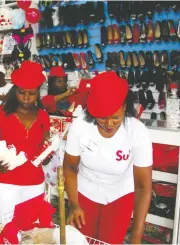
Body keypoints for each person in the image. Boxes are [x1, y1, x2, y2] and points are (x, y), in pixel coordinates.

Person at [63, 71, 152, 244]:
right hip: (84, 192)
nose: (109, 124)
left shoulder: (138, 132)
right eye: (102, 118)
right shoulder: (80, 126)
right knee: (81, 240)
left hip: (119, 195)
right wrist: (73, 204)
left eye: (116, 117)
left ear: (125, 107)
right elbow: (70, 167)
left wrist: (136, 237)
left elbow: (143, 186)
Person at [0, 61, 51, 224]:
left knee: (31, 231)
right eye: (21, 92)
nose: (26, 97)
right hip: (6, 181)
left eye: (32, 93)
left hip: (35, 182)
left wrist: (46, 156)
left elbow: (45, 145)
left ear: (38, 93)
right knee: (8, 229)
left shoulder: (43, 116)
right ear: (15, 91)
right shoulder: (1, 113)